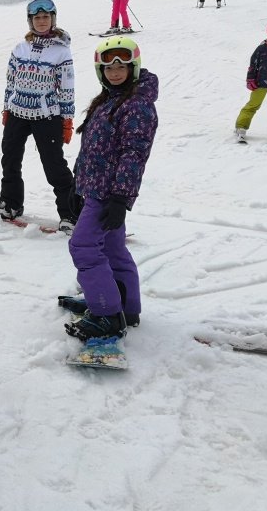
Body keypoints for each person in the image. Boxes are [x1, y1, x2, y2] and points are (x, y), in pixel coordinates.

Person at [66, 36, 158, 340]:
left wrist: (120, 198)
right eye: (109, 68)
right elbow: (92, 148)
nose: (115, 72)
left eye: (121, 67)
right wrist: (77, 184)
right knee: (112, 248)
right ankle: (125, 307)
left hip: (109, 194)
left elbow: (133, 156)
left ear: (133, 68)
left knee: (83, 246)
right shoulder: (110, 99)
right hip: (97, 190)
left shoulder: (136, 106)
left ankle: (106, 313)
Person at [0, 0, 76, 231]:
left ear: (53, 19)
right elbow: (10, 82)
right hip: (17, 113)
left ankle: (71, 213)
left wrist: (67, 119)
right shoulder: (20, 48)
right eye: (37, 18)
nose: (42, 21)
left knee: (54, 166)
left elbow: (67, 88)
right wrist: (7, 108)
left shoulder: (61, 51)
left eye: (46, 17)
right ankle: (10, 203)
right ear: (30, 21)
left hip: (47, 116)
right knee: (10, 160)